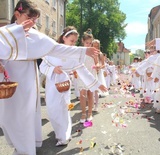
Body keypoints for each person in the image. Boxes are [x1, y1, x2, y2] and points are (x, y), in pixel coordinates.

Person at [0, 0, 106, 154]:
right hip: (9, 78)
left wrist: (83, 51)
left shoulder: (34, 34)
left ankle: (25, 150)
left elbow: (56, 49)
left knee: (26, 114)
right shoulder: (6, 32)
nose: (33, 23)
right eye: (30, 18)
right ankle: (20, 145)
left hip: (28, 79)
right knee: (9, 116)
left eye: (36, 20)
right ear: (17, 14)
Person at [39, 26, 80, 146]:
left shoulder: (73, 52)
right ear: (64, 38)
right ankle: (59, 133)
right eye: (71, 40)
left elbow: (77, 67)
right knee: (52, 110)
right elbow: (42, 67)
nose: (73, 44)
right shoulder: (52, 51)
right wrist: (53, 69)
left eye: (75, 41)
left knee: (63, 109)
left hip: (65, 86)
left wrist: (73, 73)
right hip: (52, 85)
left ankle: (64, 136)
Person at [77, 29, 98, 123]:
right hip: (81, 74)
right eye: (86, 43)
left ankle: (89, 113)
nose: (88, 45)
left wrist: (96, 65)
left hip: (91, 73)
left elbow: (97, 64)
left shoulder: (94, 52)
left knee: (90, 94)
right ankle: (83, 113)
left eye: (90, 43)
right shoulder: (78, 51)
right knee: (82, 95)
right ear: (82, 41)